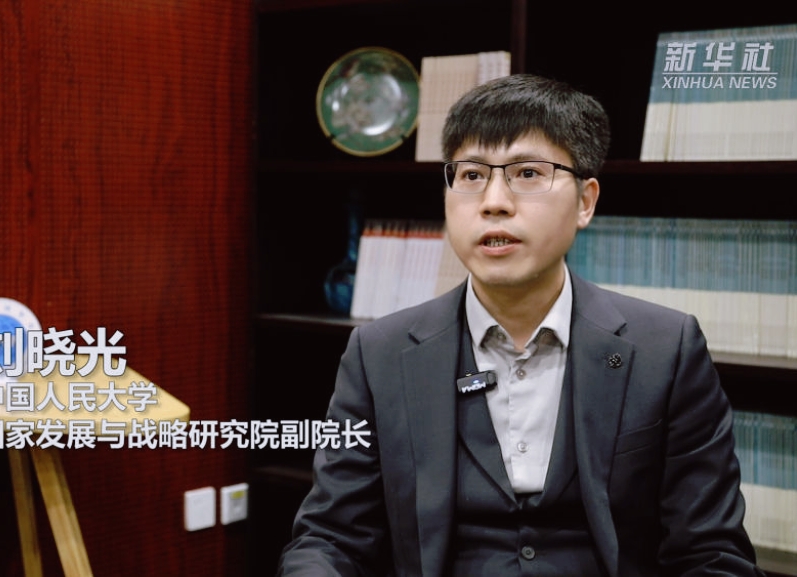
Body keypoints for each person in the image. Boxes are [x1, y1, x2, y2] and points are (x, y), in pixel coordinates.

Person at [278, 74, 763, 576]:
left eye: (528, 173)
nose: (494, 201)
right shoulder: (378, 352)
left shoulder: (666, 348)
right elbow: (330, 538)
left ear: (585, 201)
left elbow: (711, 553)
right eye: (471, 175)